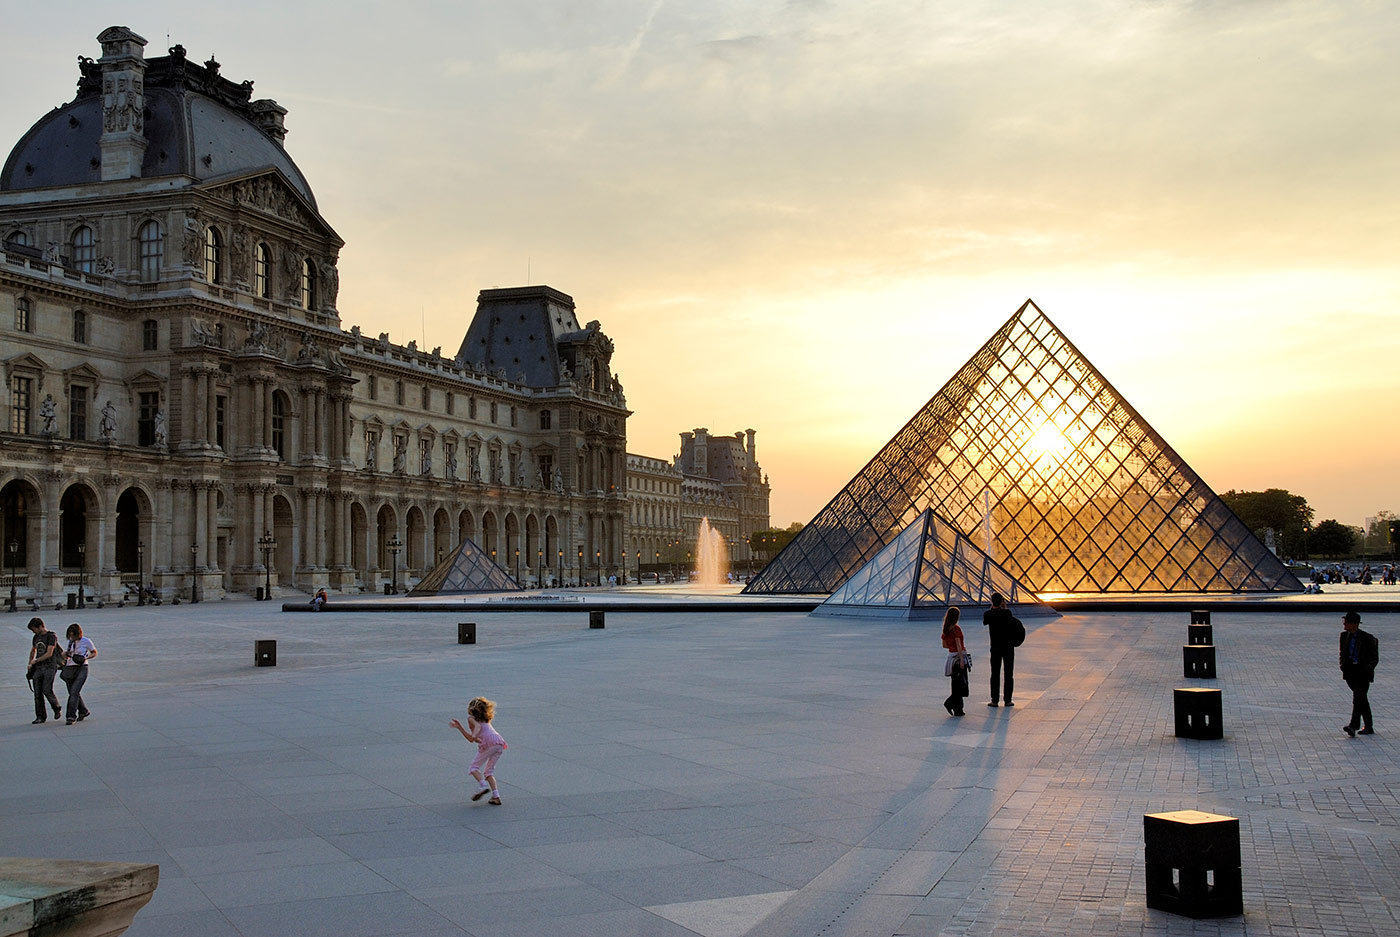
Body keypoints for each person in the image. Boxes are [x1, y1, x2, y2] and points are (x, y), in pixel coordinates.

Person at [450, 696, 507, 804]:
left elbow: (474, 733)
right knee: (488, 772)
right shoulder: (486, 720)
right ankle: (496, 796)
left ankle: (483, 786)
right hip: (499, 742)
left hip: (489, 743)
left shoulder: (471, 718)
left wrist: (461, 728)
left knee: (473, 767)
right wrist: (472, 735)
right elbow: (475, 739)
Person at [1339, 610, 1379, 737]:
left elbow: (1374, 657)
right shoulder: (1344, 636)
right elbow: (1342, 654)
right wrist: (1343, 666)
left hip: (1363, 673)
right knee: (1361, 699)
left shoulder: (1368, 638)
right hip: (1351, 673)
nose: (1344, 625)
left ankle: (1353, 726)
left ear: (1354, 624)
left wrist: (1367, 669)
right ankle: (1369, 726)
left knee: (1358, 699)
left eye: (1347, 623)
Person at [983, 592, 1020, 707]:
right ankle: (1008, 700)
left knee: (994, 674)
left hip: (995, 648)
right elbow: (1008, 617)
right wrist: (1004, 607)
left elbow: (986, 621)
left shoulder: (988, 614)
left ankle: (994, 700)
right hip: (1008, 648)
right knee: (1008, 674)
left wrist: (994, 607)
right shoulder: (1007, 613)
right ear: (1002, 601)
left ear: (991, 601)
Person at [26, 617, 63, 724]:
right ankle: (40, 716)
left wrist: (36, 660)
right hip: (38, 667)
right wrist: (30, 662)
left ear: (40, 626)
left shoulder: (51, 636)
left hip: (50, 666)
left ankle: (56, 707)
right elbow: (33, 650)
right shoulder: (36, 637)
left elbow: (49, 653)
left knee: (47, 689)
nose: (33, 632)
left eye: (34, 629)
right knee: (37, 692)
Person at [59, 623, 97, 725]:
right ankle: (83, 711)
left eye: (73, 635)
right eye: (70, 635)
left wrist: (86, 658)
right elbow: (66, 654)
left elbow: (94, 652)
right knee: (73, 691)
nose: (72, 637)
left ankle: (71, 716)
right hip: (70, 668)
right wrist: (65, 654)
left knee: (74, 692)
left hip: (82, 667)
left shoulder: (86, 641)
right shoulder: (70, 642)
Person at [941, 606, 969, 716]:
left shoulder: (946, 629)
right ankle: (950, 704)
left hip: (951, 658)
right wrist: (962, 659)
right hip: (958, 657)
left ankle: (958, 709)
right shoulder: (956, 629)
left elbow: (944, 645)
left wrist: (951, 647)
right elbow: (959, 645)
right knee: (961, 683)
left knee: (955, 683)